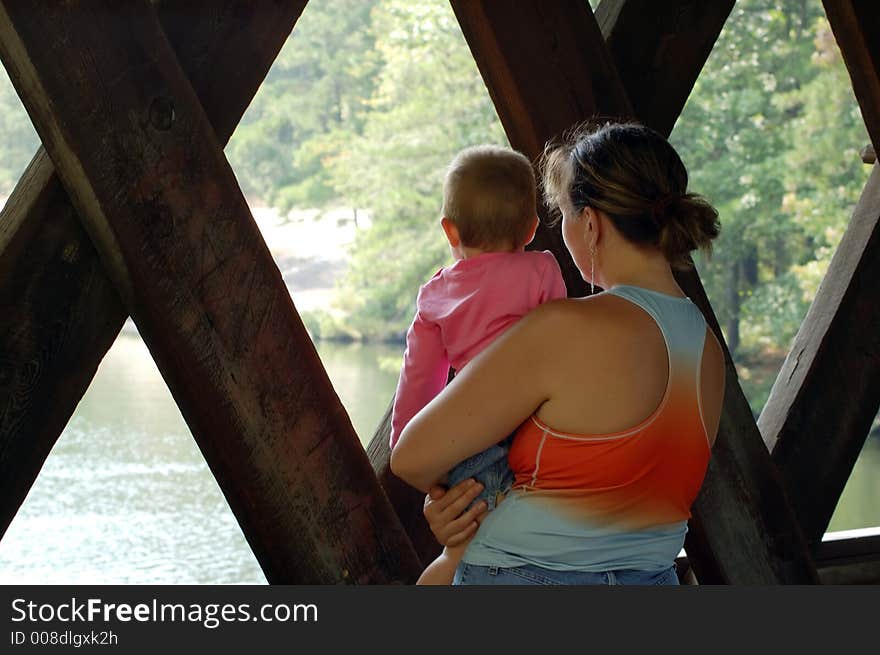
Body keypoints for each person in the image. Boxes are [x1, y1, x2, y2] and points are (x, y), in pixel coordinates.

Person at [391, 121, 726, 585]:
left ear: (590, 224)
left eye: (563, 215)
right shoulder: (707, 350)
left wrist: (451, 500)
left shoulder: (566, 328)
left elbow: (411, 456)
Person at [389, 144, 567, 585]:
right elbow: (565, 350)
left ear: (449, 230)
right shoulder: (542, 271)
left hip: (470, 440)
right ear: (530, 228)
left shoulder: (436, 295)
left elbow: (419, 378)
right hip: (535, 430)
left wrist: (411, 447)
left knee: (464, 550)